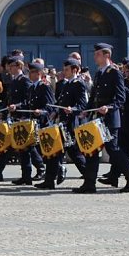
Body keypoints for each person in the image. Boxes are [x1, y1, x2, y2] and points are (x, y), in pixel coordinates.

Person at [73, 43, 129, 194]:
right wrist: (86, 111)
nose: (95, 57)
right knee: (92, 150)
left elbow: (120, 98)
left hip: (110, 119)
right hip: (97, 119)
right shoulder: (99, 73)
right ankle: (89, 183)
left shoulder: (115, 73)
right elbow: (94, 96)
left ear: (106, 55)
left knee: (113, 150)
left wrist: (108, 107)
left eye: (98, 54)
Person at [36, 58, 88, 189]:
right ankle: (49, 181)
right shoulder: (66, 84)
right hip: (62, 122)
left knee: (75, 153)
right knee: (55, 152)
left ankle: (89, 178)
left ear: (74, 70)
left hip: (71, 123)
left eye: (66, 69)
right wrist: (55, 111)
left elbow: (82, 104)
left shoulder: (79, 84)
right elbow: (61, 102)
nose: (64, 72)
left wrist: (73, 109)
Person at [97, 58, 129, 192]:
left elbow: (123, 98)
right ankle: (114, 176)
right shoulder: (101, 74)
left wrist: (111, 106)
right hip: (123, 121)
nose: (127, 74)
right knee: (117, 149)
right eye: (126, 71)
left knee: (118, 149)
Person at [11, 62, 55, 186]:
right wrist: (16, 107)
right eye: (29, 72)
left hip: (42, 123)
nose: (29, 74)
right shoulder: (32, 87)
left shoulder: (44, 86)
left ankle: (54, 170)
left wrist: (41, 111)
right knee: (24, 149)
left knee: (41, 151)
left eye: (32, 72)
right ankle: (26, 176)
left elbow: (50, 106)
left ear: (39, 73)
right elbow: (27, 103)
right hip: (31, 123)